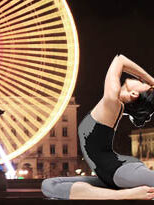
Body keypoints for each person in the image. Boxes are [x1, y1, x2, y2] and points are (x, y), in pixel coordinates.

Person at [41, 54, 154, 200]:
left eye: (143, 83)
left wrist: (151, 80)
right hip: (111, 174)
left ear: (133, 94)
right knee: (49, 185)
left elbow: (119, 59)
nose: (140, 79)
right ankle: (122, 194)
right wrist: (150, 81)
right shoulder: (113, 105)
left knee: (53, 187)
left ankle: (122, 194)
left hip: (121, 171)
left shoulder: (112, 101)